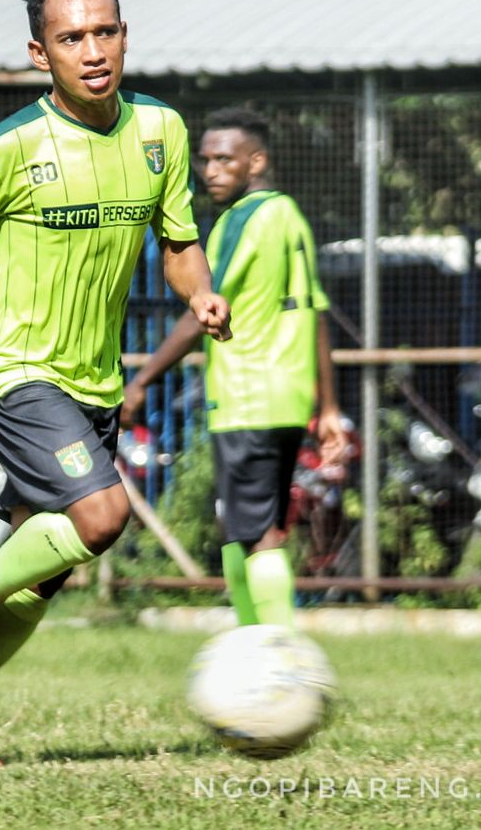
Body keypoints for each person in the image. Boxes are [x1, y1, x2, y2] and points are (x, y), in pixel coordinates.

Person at [0, 0, 231, 767]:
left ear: (124, 34)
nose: (94, 51)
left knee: (37, 584)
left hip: (94, 384)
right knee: (101, 517)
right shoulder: (10, 147)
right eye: (73, 38)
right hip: (18, 374)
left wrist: (201, 292)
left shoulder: (160, 131)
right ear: (40, 53)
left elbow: (178, 238)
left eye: (106, 31)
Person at [125, 107, 344, 631]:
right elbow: (314, 310)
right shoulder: (291, 216)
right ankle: (255, 641)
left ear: (257, 161)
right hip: (287, 398)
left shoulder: (242, 220)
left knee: (258, 535)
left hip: (247, 396)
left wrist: (142, 381)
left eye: (225, 159)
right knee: (244, 529)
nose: (210, 170)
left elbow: (205, 306)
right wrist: (329, 405)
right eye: (205, 160)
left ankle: (274, 652)